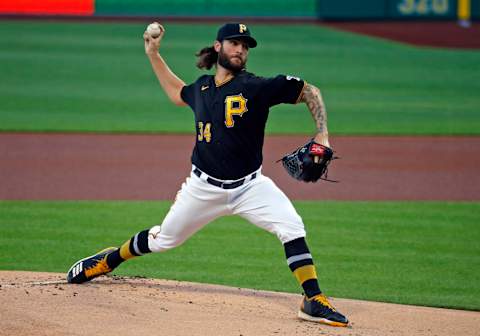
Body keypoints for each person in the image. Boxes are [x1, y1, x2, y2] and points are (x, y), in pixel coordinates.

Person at [66, 22, 349, 327]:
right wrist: (153, 53)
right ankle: (108, 260)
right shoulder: (202, 88)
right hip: (202, 189)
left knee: (292, 226)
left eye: (245, 45)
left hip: (250, 187)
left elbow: (310, 91)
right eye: (234, 43)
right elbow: (177, 92)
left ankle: (313, 299)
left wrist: (323, 135)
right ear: (218, 47)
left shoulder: (257, 87)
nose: (240, 49)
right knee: (163, 240)